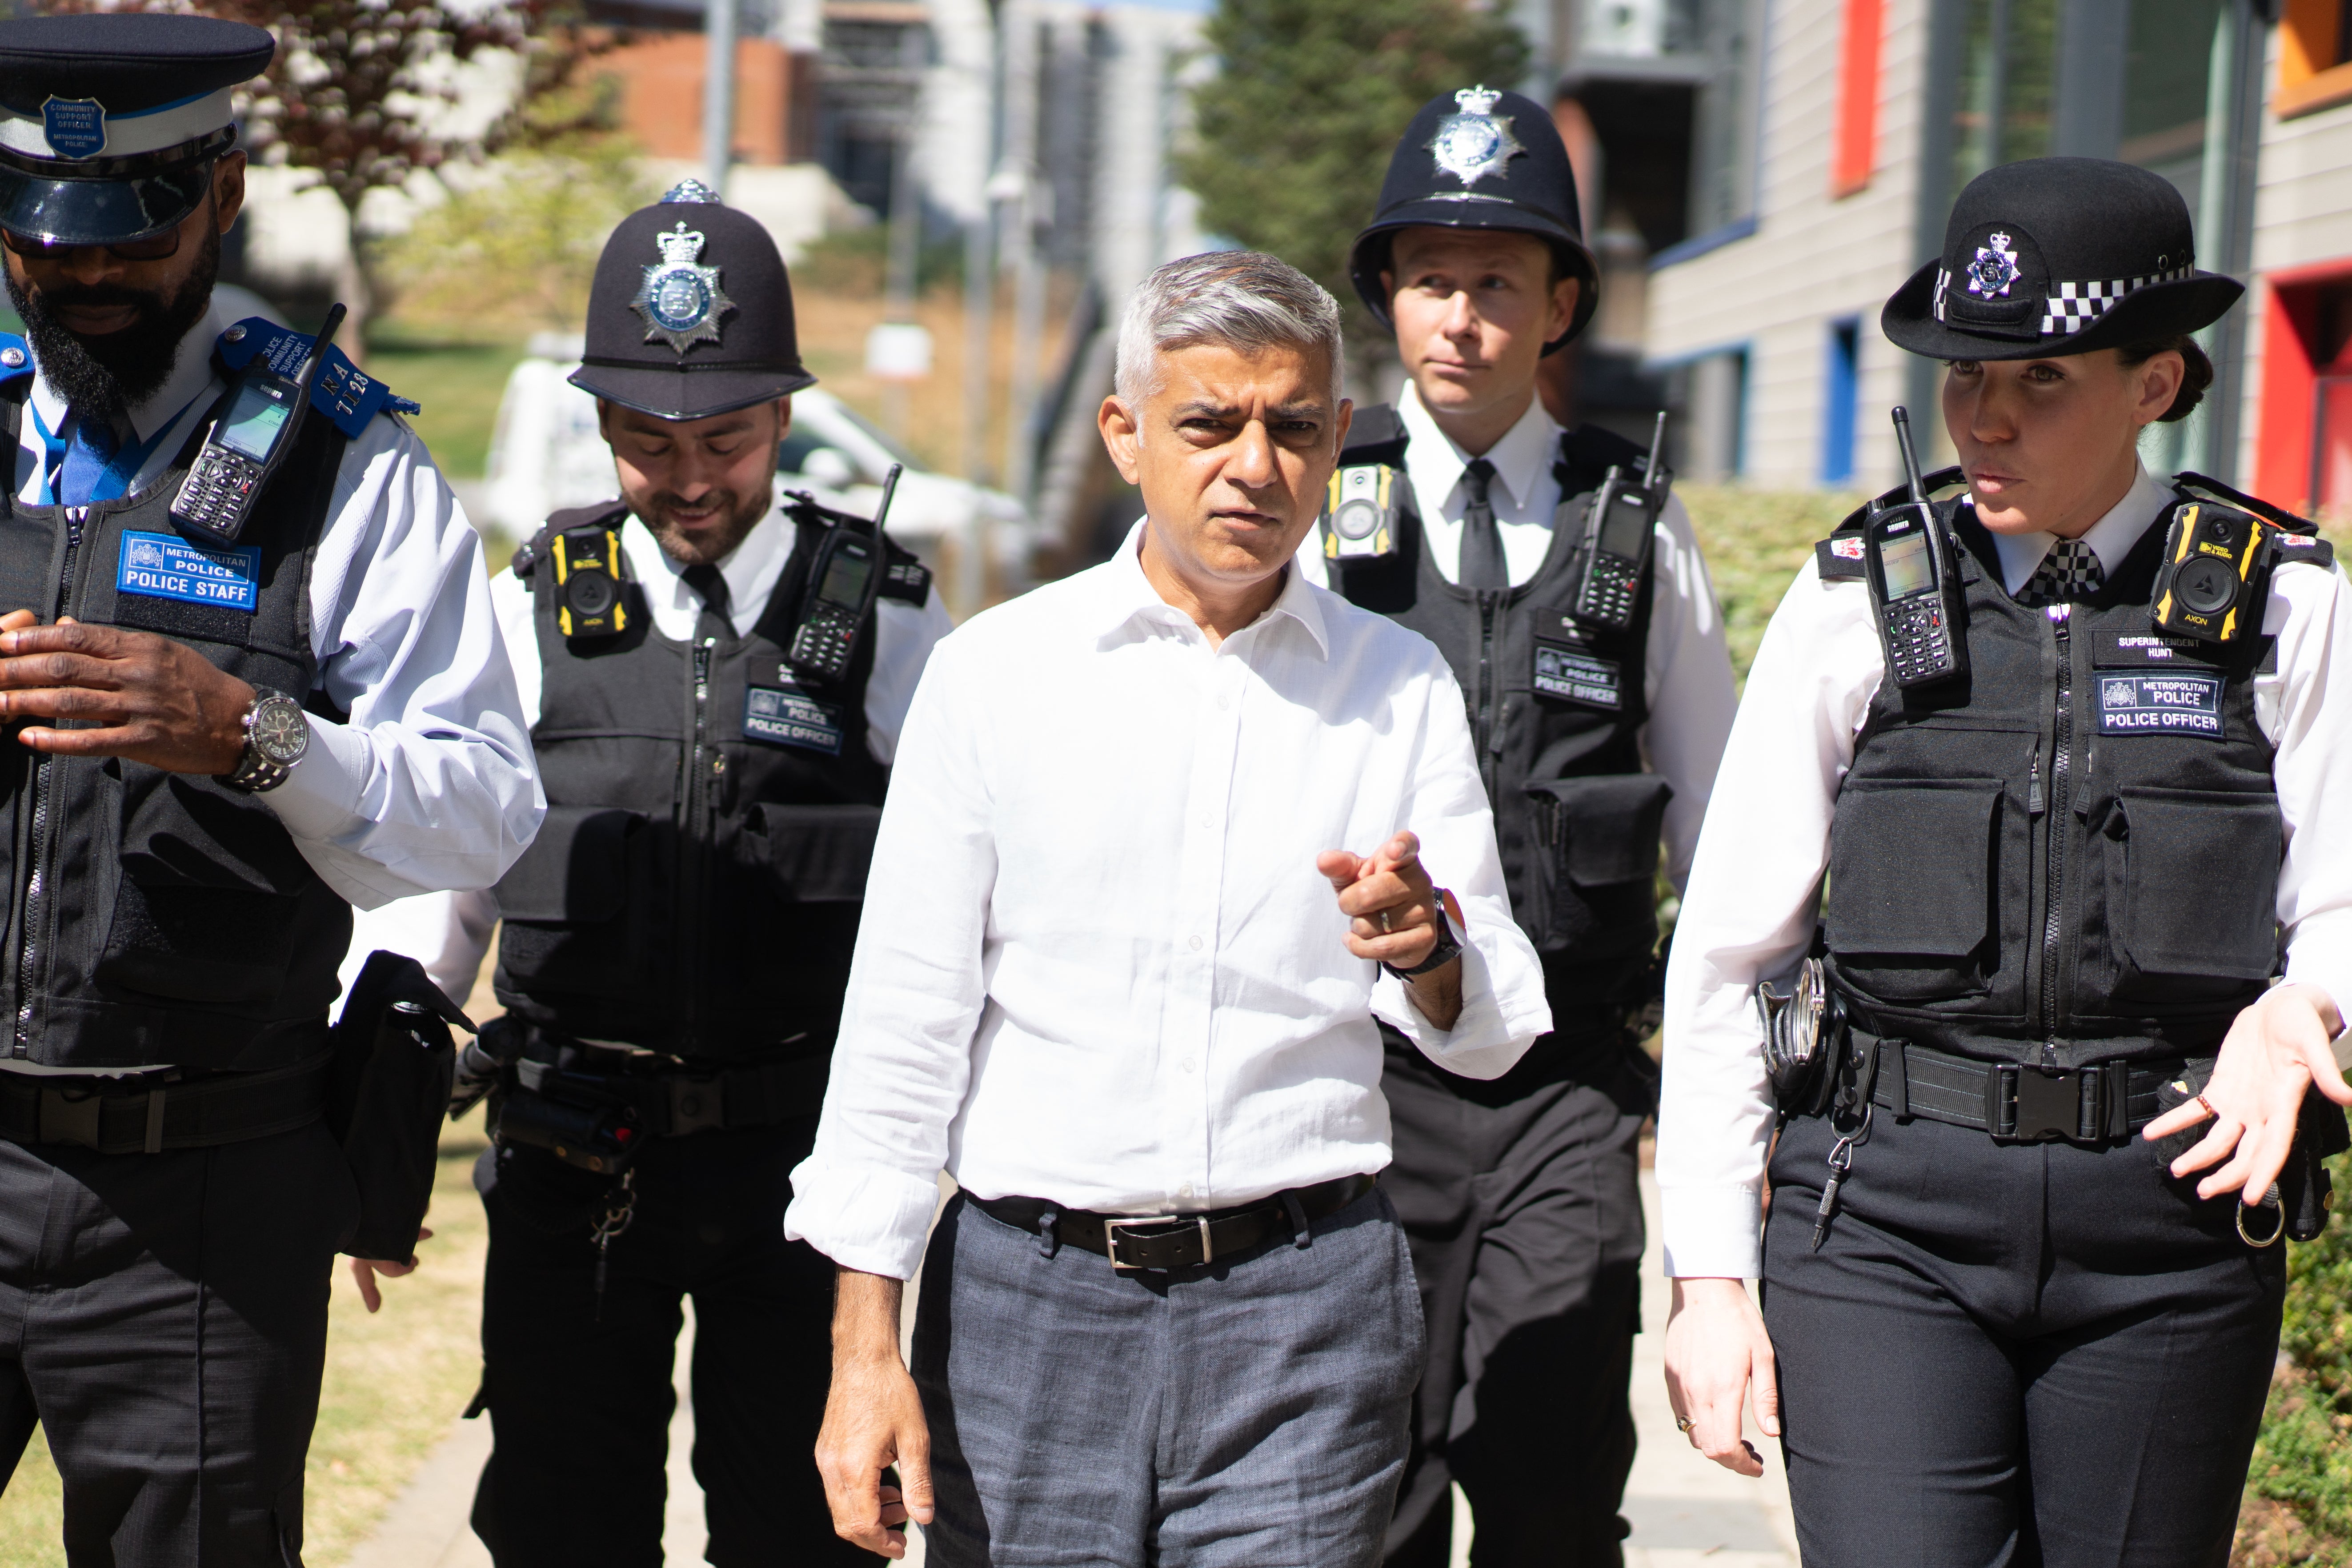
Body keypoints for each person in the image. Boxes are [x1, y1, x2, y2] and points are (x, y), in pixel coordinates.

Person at [788, 250, 1553, 1567]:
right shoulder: (994, 680)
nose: (1255, 465)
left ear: (1333, 442)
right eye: (1210, 423)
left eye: (1293, 426)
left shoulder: (1396, 683)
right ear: (1126, 434)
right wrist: (866, 1350)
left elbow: (1482, 1031)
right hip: (1029, 1312)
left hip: (1304, 1309)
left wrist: (1425, 949)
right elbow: (902, 1032)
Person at [1658, 155, 2352, 1568]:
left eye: (2038, 379)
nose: (1981, 414)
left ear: (2153, 384)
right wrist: (1710, 1277)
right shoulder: (1857, 596)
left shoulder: (2281, 602)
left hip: (2171, 1234)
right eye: (1963, 372)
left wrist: (2308, 1004)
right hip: (1884, 1221)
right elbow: (1731, 955)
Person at [336, 183, 954, 1565]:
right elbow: (444, 886)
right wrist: (376, 1128)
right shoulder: (521, 611)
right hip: (574, 1163)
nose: (686, 480)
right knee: (563, 1529)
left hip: (805, 1170)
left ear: (785, 419)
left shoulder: (892, 622)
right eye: (645, 441)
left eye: (723, 441)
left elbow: (972, 894)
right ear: (601, 427)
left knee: (804, 1538)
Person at [0, 13, 541, 1563]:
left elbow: (486, 806)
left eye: (135, 235)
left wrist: (255, 736)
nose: (87, 278)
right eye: (45, 243)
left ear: (223, 198)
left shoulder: (349, 470)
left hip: (202, 1199)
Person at [1298, 84, 1736, 1567]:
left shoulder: (1637, 519)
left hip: (1566, 1085)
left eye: (1498, 282)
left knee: (1553, 1485)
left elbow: (1720, 825)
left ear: (1559, 307)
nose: (1461, 318)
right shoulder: (1310, 501)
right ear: (1386, 299)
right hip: (1357, 1083)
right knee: (1376, 1494)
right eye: (1430, 279)